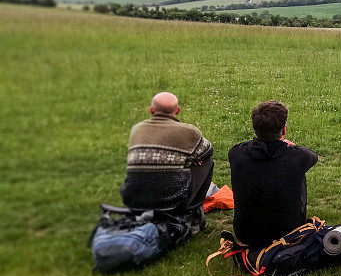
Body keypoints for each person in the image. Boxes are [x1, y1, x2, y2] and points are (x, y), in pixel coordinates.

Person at [119, 92, 214, 233]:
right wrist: (191, 159)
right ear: (177, 110)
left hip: (134, 201)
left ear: (152, 110)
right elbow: (208, 151)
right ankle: (194, 219)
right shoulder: (189, 132)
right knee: (207, 162)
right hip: (172, 203)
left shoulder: (137, 129)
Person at [229, 101, 318, 247]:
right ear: (283, 130)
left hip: (245, 233)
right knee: (298, 173)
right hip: (288, 233)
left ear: (255, 128)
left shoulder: (236, 153)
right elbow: (312, 156)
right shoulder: (297, 157)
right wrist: (290, 146)